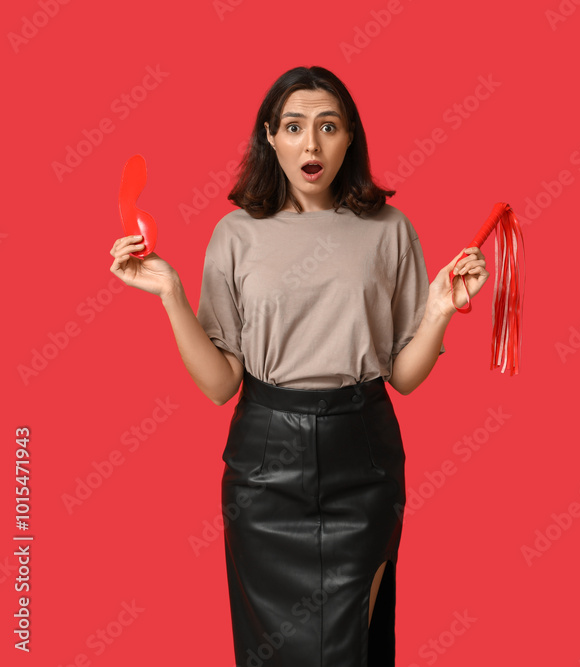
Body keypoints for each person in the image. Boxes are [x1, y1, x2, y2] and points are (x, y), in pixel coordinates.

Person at [108, 65, 488, 666]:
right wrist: (171, 294)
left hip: (361, 457)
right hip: (264, 467)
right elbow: (219, 385)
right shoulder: (235, 234)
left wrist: (439, 307)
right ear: (271, 136)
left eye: (328, 127)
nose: (311, 144)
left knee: (351, 647)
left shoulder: (390, 230)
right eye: (294, 126)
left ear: (349, 137)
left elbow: (406, 377)